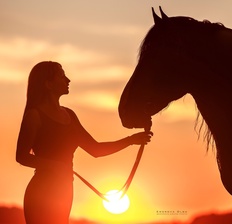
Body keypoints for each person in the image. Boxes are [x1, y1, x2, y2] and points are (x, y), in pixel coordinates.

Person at [16, 61, 152, 224]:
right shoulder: (34, 115)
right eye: (61, 75)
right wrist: (53, 165)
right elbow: (21, 156)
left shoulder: (70, 115)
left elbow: (95, 149)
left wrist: (131, 140)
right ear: (48, 84)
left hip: (65, 190)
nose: (68, 80)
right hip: (41, 192)